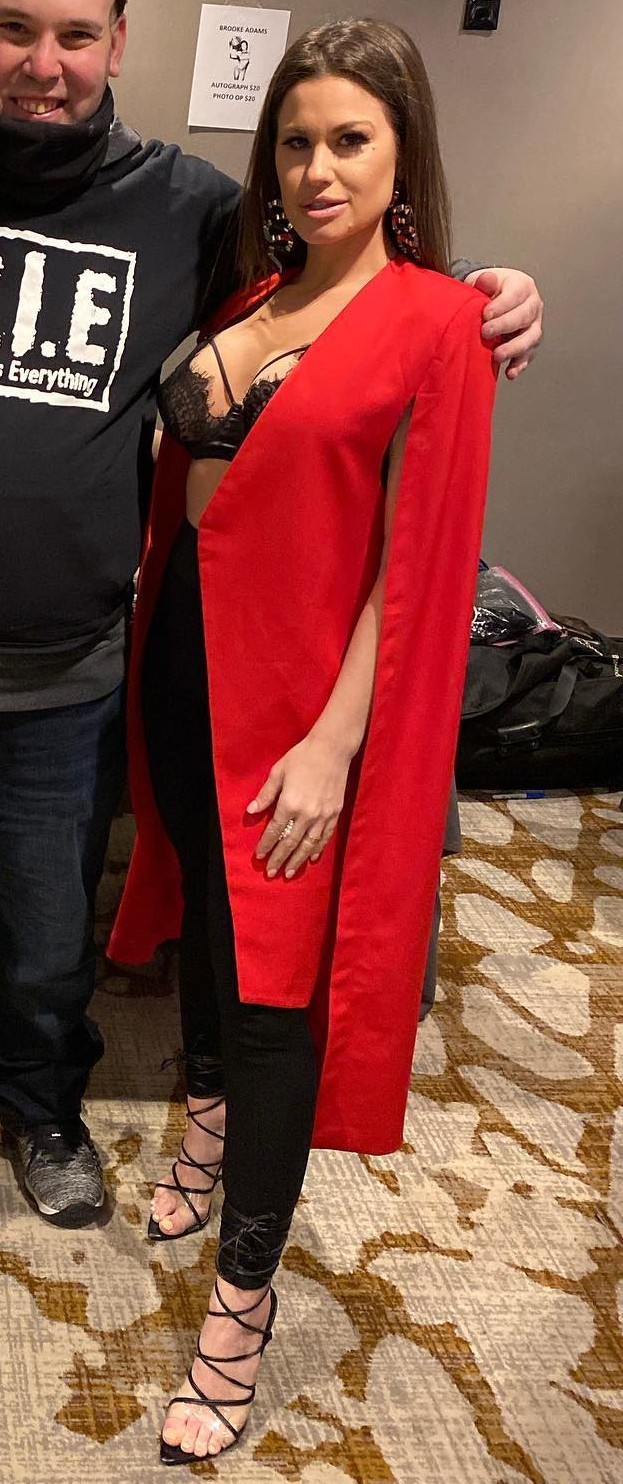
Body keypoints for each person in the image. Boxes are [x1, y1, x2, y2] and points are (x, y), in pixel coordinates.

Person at [0, 0, 543, 1231]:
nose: (43, 65)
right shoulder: (228, 248)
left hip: (82, 665)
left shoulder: (180, 206)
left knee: (52, 937)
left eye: (74, 34)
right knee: (186, 907)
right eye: (14, 28)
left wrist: (495, 285)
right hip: (171, 644)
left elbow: (357, 291)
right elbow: (308, 279)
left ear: (119, 42)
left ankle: (46, 1111)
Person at [110, 17, 509, 1462]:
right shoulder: (251, 290)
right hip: (181, 667)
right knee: (211, 939)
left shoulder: (437, 322)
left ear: (401, 152)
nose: (316, 167)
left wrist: (338, 739)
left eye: (349, 139)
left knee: (277, 989)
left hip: (297, 710)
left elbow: (413, 558)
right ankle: (202, 1120)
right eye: (294, 140)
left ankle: (241, 1305)